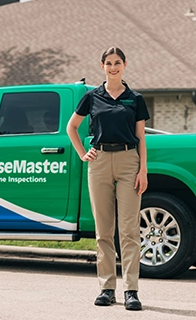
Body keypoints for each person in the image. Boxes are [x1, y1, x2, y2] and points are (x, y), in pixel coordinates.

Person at [66, 47, 149, 311]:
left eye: (117, 63)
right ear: (102, 65)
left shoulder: (135, 99)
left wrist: (143, 170)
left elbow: (141, 138)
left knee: (129, 230)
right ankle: (106, 288)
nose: (113, 67)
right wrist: (82, 153)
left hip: (128, 162)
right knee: (103, 229)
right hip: (99, 162)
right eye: (109, 63)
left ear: (125, 64)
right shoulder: (92, 97)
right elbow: (72, 127)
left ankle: (132, 290)